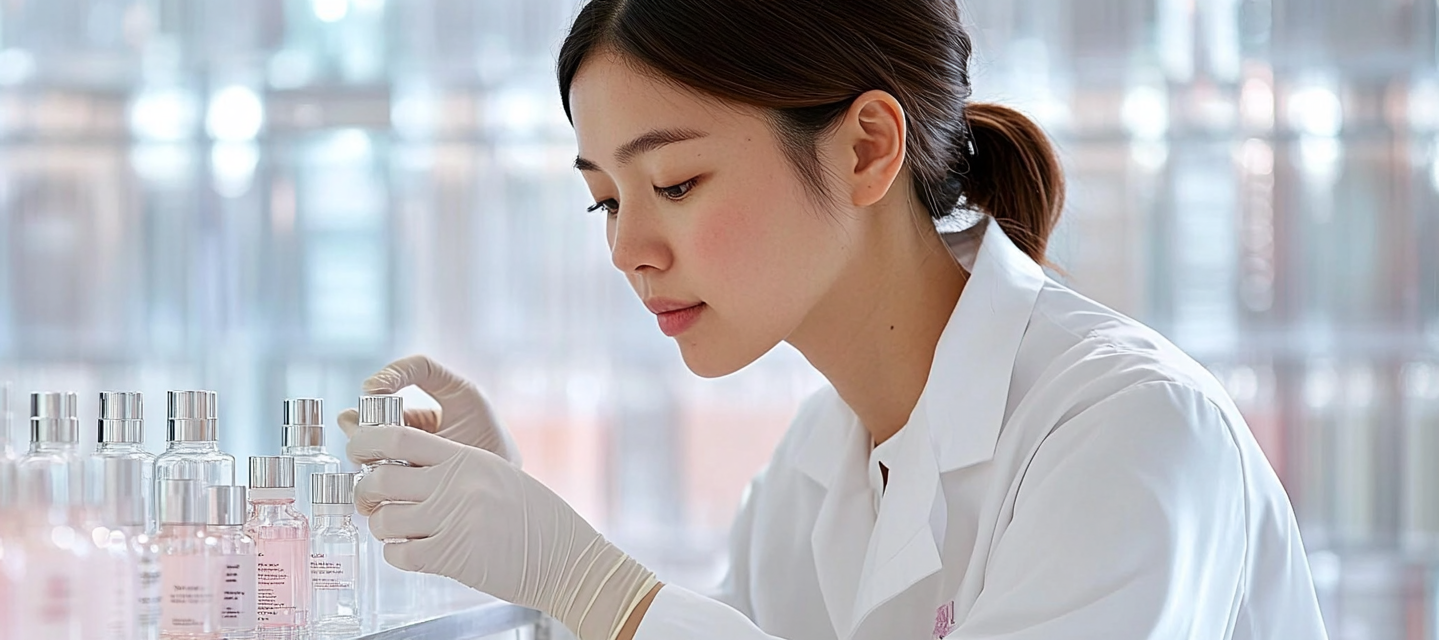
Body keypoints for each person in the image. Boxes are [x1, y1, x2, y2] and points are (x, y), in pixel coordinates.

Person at [334, 0, 1329, 638]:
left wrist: (590, 582)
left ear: (863, 150)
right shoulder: (821, 457)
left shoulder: (1130, 432)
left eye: (674, 181)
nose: (625, 248)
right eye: (603, 198)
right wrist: (545, 576)